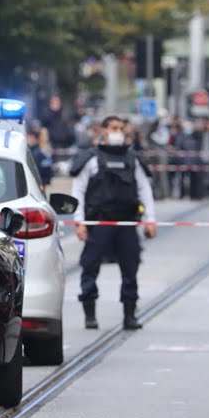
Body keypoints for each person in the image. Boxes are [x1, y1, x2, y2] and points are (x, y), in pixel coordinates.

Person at [72, 115, 157, 331]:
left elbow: (144, 190)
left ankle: (130, 314)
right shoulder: (92, 158)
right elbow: (78, 191)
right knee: (90, 266)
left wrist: (150, 220)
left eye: (120, 128)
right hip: (99, 221)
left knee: (131, 267)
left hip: (126, 222)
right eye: (113, 128)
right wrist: (79, 222)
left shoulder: (132, 159)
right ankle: (89, 313)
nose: (117, 131)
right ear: (103, 131)